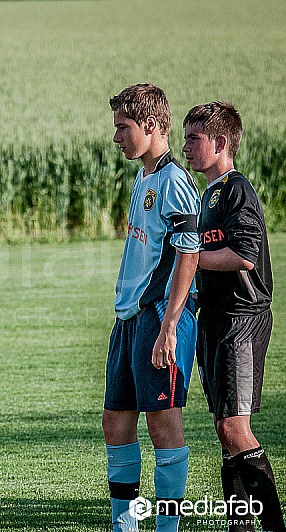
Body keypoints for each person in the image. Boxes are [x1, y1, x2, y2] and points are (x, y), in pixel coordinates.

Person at [183, 101, 285, 532]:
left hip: (241, 319)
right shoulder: (209, 193)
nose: (184, 146)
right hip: (216, 319)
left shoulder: (235, 188)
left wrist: (192, 260)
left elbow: (245, 255)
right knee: (225, 434)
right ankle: (239, 528)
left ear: (221, 142)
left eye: (194, 138)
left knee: (234, 428)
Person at [103, 84, 201, 532]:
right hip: (129, 319)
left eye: (124, 127)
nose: (117, 137)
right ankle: (125, 525)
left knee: (163, 426)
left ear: (152, 126)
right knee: (115, 422)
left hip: (160, 318)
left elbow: (188, 253)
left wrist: (169, 326)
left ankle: (167, 529)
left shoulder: (175, 181)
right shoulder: (143, 177)